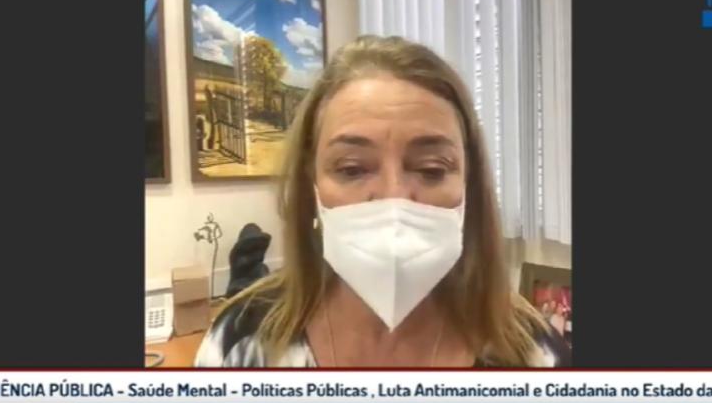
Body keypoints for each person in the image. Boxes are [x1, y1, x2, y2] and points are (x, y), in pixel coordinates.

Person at [196, 35, 568, 371]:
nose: (394, 197)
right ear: (313, 187)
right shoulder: (239, 345)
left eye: (431, 169)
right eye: (352, 169)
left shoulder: (536, 360)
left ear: (469, 186)